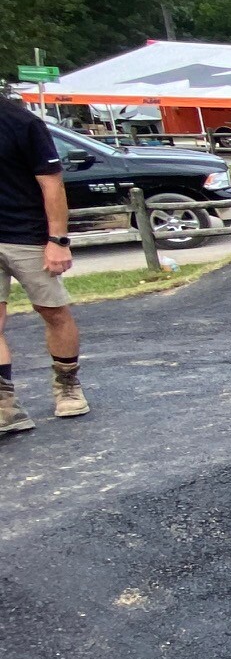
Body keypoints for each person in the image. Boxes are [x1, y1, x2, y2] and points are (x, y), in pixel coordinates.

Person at [0, 88, 87, 434]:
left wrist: (57, 241)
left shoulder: (22, 123)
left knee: (52, 311)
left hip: (28, 235)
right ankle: (6, 404)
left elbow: (53, 186)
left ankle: (67, 384)